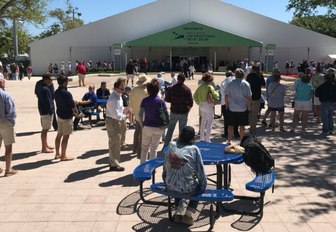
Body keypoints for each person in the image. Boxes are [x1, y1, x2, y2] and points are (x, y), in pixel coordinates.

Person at [163, 126, 207, 226]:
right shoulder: (194, 149)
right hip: (187, 188)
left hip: (170, 185)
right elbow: (201, 172)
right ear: (192, 138)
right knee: (198, 186)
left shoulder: (171, 145)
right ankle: (188, 214)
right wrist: (203, 186)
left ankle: (178, 213)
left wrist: (165, 179)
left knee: (177, 178)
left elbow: (165, 166)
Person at [139, 79, 167, 163]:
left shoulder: (145, 100)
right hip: (158, 127)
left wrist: (141, 125)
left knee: (144, 148)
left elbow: (140, 114)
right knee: (154, 148)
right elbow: (165, 115)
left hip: (147, 126)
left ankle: (142, 166)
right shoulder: (161, 101)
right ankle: (152, 168)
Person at [164, 73, 193, 147]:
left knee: (170, 129)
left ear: (177, 79)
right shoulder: (187, 89)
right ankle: (180, 145)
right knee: (182, 131)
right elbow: (190, 103)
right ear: (184, 80)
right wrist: (187, 111)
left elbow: (166, 99)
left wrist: (173, 101)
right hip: (183, 112)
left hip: (174, 111)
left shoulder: (172, 88)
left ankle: (166, 145)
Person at [225, 68, 252, 144]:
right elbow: (249, 97)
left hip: (232, 107)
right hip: (243, 108)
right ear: (243, 75)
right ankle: (241, 141)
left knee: (230, 125)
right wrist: (249, 107)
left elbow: (226, 95)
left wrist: (227, 105)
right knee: (242, 126)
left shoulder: (230, 83)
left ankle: (229, 140)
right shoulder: (246, 84)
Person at [54, 75, 77, 161]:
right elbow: (72, 107)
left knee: (59, 134)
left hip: (59, 115)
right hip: (67, 116)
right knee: (66, 136)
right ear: (65, 82)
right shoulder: (67, 93)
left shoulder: (56, 92)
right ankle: (63, 155)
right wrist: (76, 112)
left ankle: (57, 153)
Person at [105, 79, 126, 171]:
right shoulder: (114, 98)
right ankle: (114, 164)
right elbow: (116, 115)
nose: (123, 90)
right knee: (115, 143)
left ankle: (113, 161)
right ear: (116, 88)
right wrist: (124, 116)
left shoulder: (118, 96)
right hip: (113, 121)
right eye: (122, 88)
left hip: (114, 120)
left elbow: (118, 110)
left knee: (115, 142)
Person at [193, 73, 219, 142]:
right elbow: (216, 96)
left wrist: (198, 102)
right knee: (209, 122)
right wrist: (217, 93)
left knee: (203, 121)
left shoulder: (200, 86)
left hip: (201, 105)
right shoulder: (210, 87)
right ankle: (207, 138)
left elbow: (194, 96)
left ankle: (202, 138)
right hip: (208, 105)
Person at [129, 74, 151, 157]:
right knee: (142, 133)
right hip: (144, 115)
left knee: (137, 131)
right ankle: (139, 150)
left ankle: (134, 148)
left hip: (136, 113)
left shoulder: (134, 90)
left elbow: (130, 101)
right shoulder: (146, 92)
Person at [0, 76, 17, 176]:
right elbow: (11, 111)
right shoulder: (6, 95)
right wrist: (11, 122)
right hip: (5, 122)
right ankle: (8, 169)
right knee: (8, 147)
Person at [37, 73, 55, 153]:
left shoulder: (42, 87)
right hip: (46, 112)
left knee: (46, 129)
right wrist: (50, 111)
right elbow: (47, 101)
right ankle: (44, 147)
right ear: (46, 79)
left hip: (44, 111)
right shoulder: (45, 89)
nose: (51, 81)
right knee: (45, 129)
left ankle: (45, 145)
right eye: (50, 79)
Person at [246, 63, 265, 135]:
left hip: (249, 97)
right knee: (255, 114)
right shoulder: (259, 76)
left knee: (250, 112)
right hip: (256, 97)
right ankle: (252, 128)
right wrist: (261, 75)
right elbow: (263, 84)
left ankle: (250, 124)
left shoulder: (249, 76)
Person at [220, 70, 239, 138]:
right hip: (236, 103)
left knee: (226, 120)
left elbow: (222, 95)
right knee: (236, 118)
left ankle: (226, 133)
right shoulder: (236, 82)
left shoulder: (223, 83)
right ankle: (236, 133)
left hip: (225, 103)